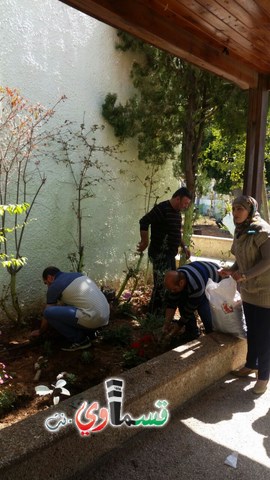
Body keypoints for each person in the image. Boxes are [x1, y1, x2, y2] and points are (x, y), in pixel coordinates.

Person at [219, 195, 270, 395]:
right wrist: (231, 270)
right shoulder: (241, 231)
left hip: (266, 292)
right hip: (249, 292)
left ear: (250, 210)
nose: (235, 213)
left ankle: (264, 376)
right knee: (253, 332)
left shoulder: (262, 231)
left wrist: (246, 275)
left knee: (265, 337)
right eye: (234, 208)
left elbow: (268, 260)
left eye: (240, 209)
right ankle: (251, 364)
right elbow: (241, 259)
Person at [137, 187, 192, 313]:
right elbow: (144, 221)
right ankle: (154, 314)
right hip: (159, 254)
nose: (185, 206)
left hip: (170, 255)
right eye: (184, 203)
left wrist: (184, 247)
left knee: (171, 284)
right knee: (162, 285)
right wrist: (145, 241)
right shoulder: (162, 208)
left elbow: (176, 232)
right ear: (178, 199)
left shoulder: (177, 213)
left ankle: (162, 313)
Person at [31, 267, 110, 351]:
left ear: (50, 277)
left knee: (48, 312)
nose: (47, 286)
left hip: (93, 319)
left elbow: (47, 313)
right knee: (71, 309)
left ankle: (80, 340)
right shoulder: (78, 275)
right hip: (105, 316)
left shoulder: (54, 286)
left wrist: (40, 331)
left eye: (46, 283)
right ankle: (90, 332)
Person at [164, 260, 220, 340]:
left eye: (174, 289)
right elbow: (172, 303)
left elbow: (189, 310)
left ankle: (211, 335)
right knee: (181, 299)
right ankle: (191, 332)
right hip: (201, 274)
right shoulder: (177, 278)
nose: (172, 292)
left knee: (203, 309)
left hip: (216, 278)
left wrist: (179, 325)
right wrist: (166, 324)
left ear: (181, 283)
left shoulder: (196, 286)